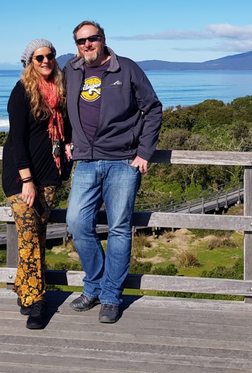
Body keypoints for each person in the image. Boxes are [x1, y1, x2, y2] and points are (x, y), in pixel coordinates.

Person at [64, 20, 162, 324]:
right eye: (81, 41)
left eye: (92, 39)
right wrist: (66, 138)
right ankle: (94, 284)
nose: (87, 45)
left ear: (103, 39)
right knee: (77, 223)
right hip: (86, 161)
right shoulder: (71, 69)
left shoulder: (127, 69)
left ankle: (109, 297)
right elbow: (61, 106)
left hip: (122, 161)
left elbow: (154, 109)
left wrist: (145, 152)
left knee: (119, 229)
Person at [2, 38, 69, 330]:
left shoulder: (61, 91)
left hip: (50, 175)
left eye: (50, 56)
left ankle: (24, 289)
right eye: (39, 57)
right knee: (28, 238)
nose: (45, 61)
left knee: (38, 238)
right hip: (21, 177)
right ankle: (38, 303)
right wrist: (27, 179)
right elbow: (17, 140)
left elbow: (67, 128)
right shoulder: (21, 93)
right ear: (30, 62)